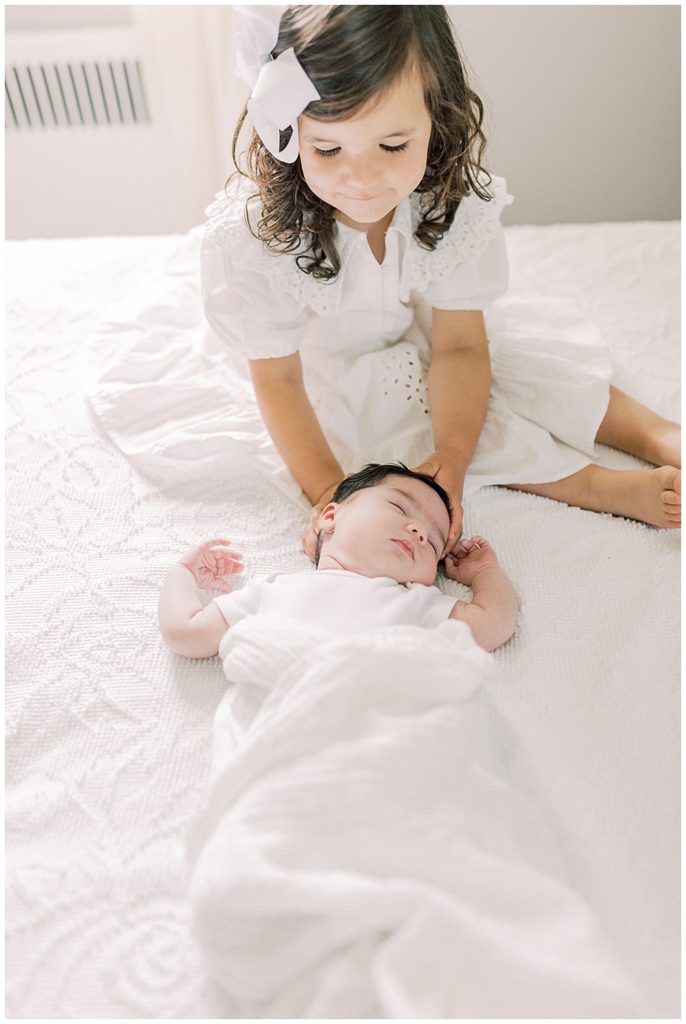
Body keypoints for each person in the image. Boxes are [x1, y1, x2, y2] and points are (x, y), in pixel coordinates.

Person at [158, 464, 519, 660]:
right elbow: (187, 632)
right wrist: (184, 577)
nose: (418, 531)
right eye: (399, 507)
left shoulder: (415, 604)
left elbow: (494, 624)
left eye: (435, 540)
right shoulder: (275, 591)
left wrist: (484, 572)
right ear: (329, 517)